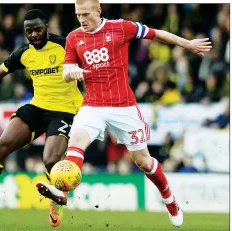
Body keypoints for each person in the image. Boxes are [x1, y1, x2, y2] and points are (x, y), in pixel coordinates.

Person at [37, 0, 212, 228]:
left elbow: (155, 33)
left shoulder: (121, 28)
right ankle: (61, 196)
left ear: (99, 11)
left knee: (143, 162)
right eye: (78, 15)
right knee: (76, 143)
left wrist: (186, 43)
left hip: (123, 106)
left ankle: (170, 201)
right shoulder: (73, 38)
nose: (82, 19)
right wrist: (74, 73)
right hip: (93, 105)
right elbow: (67, 70)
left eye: (86, 14)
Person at [0, 9, 83, 227]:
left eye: (38, 29)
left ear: (46, 26)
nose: (34, 34)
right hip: (38, 107)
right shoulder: (24, 53)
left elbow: (92, 66)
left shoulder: (65, 45)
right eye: (29, 31)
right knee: (0, 146)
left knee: (50, 160)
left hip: (65, 110)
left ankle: (57, 204)